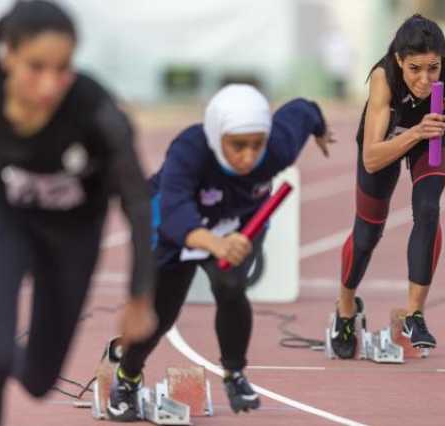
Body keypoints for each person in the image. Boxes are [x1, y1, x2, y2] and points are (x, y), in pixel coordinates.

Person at [0, 2, 156, 425]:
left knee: (39, 381)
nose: (50, 85)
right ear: (8, 56)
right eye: (36, 67)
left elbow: (137, 200)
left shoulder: (95, 109)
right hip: (5, 218)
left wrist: (140, 296)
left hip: (74, 235)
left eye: (62, 68)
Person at [97, 84, 335, 420]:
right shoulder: (190, 149)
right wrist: (214, 243)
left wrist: (322, 130)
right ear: (216, 135)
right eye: (238, 146)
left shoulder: (278, 146)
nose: (249, 157)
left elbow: (305, 109)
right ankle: (128, 377)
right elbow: (175, 211)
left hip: (236, 222)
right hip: (174, 223)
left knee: (230, 285)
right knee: (161, 312)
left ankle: (235, 374)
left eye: (257, 145)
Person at [329, 14, 445, 358]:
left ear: (442, 62)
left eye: (433, 68)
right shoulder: (384, 79)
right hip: (386, 143)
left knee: (428, 210)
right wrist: (416, 131)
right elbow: (371, 158)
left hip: (434, 138)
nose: (426, 80)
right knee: (367, 233)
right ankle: (345, 308)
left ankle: (415, 314)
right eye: (415, 69)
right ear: (399, 60)